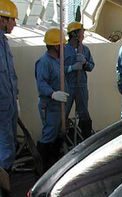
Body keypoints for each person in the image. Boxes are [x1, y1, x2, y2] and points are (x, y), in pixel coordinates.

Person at [35, 28, 69, 172]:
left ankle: (53, 167)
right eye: (63, 45)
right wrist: (53, 94)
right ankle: (42, 169)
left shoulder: (57, 61)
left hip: (57, 106)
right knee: (48, 135)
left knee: (56, 134)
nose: (65, 47)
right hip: (49, 105)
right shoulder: (44, 62)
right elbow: (41, 83)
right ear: (56, 46)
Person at [0, 0, 21, 197]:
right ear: (2, 19)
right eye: (12, 19)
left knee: (9, 151)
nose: (15, 23)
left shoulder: (4, 43)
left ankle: (5, 195)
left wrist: (16, 99)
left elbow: (9, 75)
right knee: (2, 153)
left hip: (7, 106)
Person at [64, 21, 95, 140]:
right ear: (75, 34)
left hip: (81, 86)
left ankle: (86, 139)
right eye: (82, 33)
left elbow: (91, 66)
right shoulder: (64, 50)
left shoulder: (85, 50)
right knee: (63, 114)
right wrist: (71, 68)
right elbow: (58, 69)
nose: (83, 35)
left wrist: (85, 63)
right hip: (67, 86)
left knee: (84, 114)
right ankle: (61, 142)